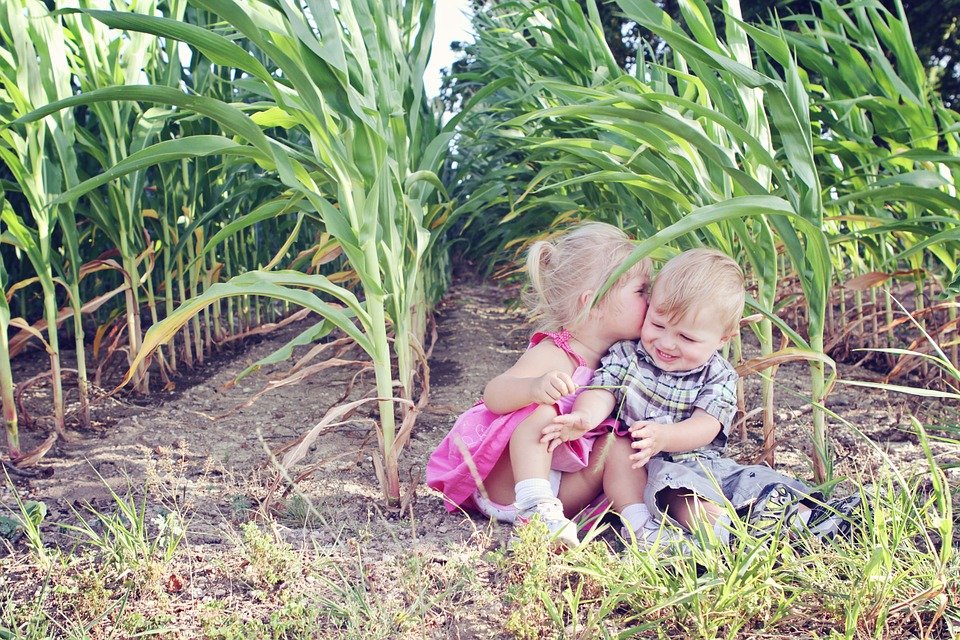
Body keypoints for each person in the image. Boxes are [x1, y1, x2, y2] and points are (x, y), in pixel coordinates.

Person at [545, 248, 860, 547]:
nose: (666, 342)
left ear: (724, 338)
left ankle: (809, 519)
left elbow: (707, 424)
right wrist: (585, 417)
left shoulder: (718, 375)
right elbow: (603, 391)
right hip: (646, 466)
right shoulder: (627, 355)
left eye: (686, 337)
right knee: (678, 494)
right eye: (657, 324)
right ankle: (731, 534)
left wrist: (666, 435)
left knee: (751, 482)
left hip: (702, 461)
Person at [426, 222, 651, 547]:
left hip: (562, 486)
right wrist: (533, 388)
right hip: (511, 484)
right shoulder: (556, 353)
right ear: (594, 303)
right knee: (543, 411)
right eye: (640, 290)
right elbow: (493, 395)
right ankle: (536, 510)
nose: (650, 298)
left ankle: (636, 522)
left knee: (618, 446)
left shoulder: (619, 359)